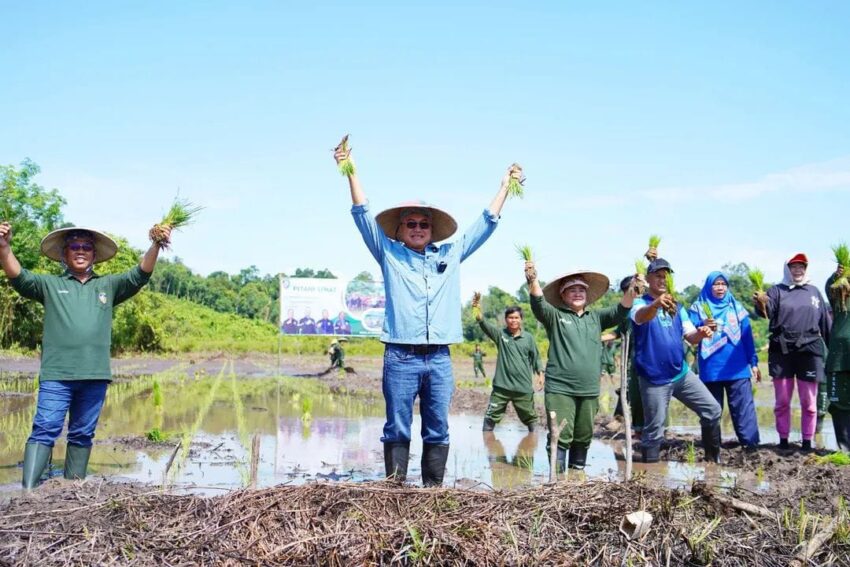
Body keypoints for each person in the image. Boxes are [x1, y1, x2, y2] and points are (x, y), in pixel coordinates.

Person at [335, 142, 517, 486]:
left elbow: (486, 224)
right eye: (411, 224)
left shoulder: (450, 255)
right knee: (397, 426)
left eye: (423, 224)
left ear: (431, 230)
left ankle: (433, 491)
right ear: (399, 231)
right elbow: (361, 213)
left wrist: (505, 187)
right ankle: (396, 489)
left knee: (438, 427)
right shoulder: (389, 254)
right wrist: (351, 169)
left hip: (439, 359)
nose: (418, 228)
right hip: (400, 356)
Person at [0, 222, 170, 489]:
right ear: (64, 254)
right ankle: (28, 494)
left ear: (93, 254)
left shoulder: (108, 286)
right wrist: (4, 246)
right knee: (45, 428)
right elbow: (18, 277)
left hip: (94, 376)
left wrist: (156, 244)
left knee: (82, 433)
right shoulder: (50, 285)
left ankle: (72, 489)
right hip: (57, 375)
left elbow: (140, 275)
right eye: (75, 247)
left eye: (86, 247)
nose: (81, 251)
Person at [525, 261, 637, 472]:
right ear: (563, 294)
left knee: (584, 434)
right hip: (560, 389)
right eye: (571, 290)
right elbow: (538, 304)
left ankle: (577, 476)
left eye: (581, 289)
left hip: (589, 389)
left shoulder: (596, 318)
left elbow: (621, 310)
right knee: (560, 433)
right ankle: (556, 480)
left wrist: (633, 288)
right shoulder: (556, 316)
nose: (577, 293)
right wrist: (532, 280)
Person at [630, 258, 721, 464]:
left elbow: (690, 336)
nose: (662, 280)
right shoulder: (639, 304)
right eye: (658, 276)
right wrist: (655, 304)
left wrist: (703, 332)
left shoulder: (678, 308)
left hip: (681, 374)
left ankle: (712, 462)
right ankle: (649, 475)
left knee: (712, 410)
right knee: (655, 429)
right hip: (654, 379)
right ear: (649, 278)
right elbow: (641, 317)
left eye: (666, 276)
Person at [755, 253, 831, 451]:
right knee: (782, 401)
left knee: (809, 402)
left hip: (810, 351)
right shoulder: (776, 290)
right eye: (794, 266)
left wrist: (835, 354)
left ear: (806, 269)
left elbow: (825, 324)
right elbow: (766, 312)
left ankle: (807, 442)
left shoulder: (814, 292)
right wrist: (761, 302)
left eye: (801, 267)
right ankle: (783, 441)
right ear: (787, 269)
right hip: (782, 351)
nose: (798, 270)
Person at [688, 271, 761, 448]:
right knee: (712, 409)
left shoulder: (737, 308)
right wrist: (703, 326)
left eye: (723, 284)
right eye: (716, 284)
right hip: (711, 368)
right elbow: (689, 333)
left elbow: (747, 337)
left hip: (738, 368)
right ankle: (712, 449)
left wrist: (754, 362)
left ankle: (750, 445)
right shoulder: (698, 308)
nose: (720, 288)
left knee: (743, 408)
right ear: (708, 286)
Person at [475, 302, 543, 432]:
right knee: (490, 418)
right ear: (506, 319)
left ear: (521, 319)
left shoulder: (528, 338)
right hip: (501, 388)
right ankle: (489, 449)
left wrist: (540, 374)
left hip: (523, 388)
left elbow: (536, 357)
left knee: (531, 419)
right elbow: (484, 324)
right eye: (510, 317)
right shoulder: (500, 335)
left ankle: (531, 447)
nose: (513, 320)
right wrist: (477, 310)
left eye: (516, 317)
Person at [825, 264, 850, 451]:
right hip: (838, 358)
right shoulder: (838, 295)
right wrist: (837, 276)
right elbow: (829, 287)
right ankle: (844, 449)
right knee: (838, 403)